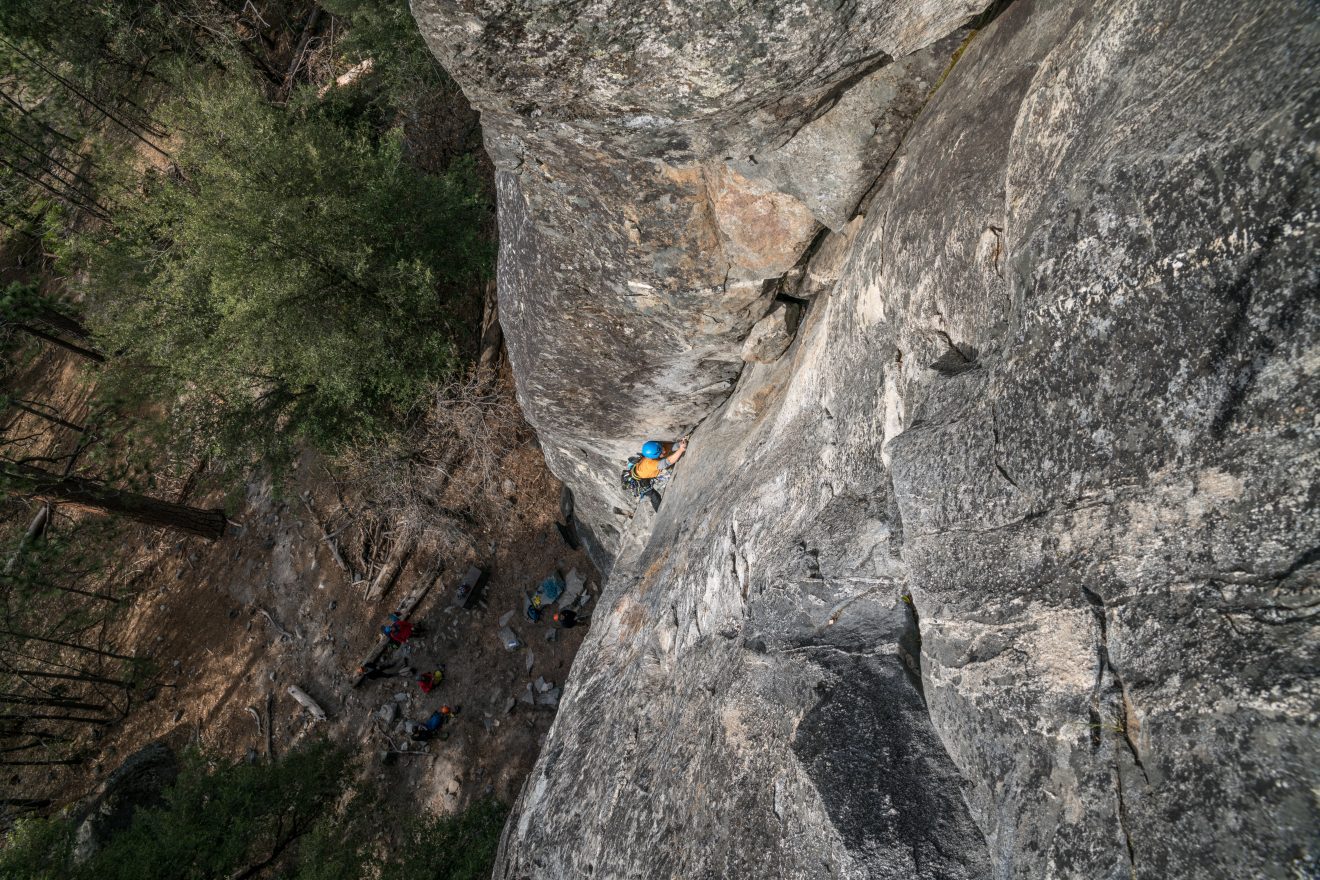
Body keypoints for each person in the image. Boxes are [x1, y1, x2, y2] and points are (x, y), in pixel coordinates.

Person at [622, 438, 688, 505]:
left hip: (641, 470)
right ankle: (660, 512)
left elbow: (670, 447)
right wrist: (681, 450)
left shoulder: (657, 449)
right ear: (655, 456)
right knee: (655, 496)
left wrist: (680, 444)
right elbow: (668, 462)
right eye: (661, 451)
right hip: (640, 480)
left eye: (662, 448)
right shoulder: (651, 464)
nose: (664, 451)